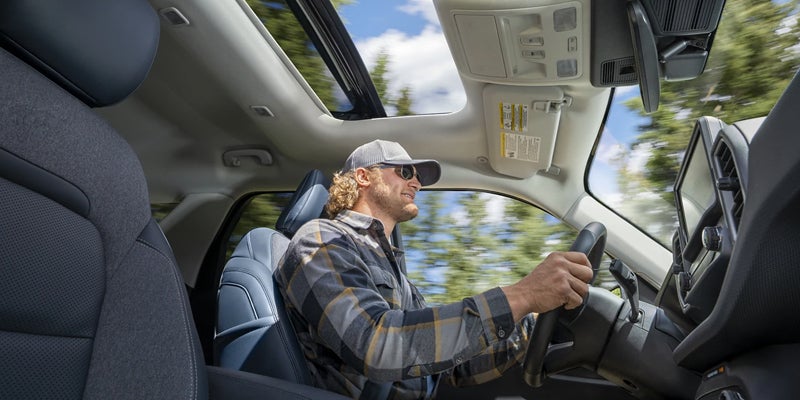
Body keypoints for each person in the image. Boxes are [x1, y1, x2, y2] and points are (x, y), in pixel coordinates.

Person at [275, 140, 593, 399]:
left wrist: (531, 322)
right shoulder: (321, 239)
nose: (416, 182)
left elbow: (452, 367)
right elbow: (374, 344)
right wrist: (522, 295)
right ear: (363, 177)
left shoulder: (396, 274)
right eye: (405, 171)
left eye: (417, 176)